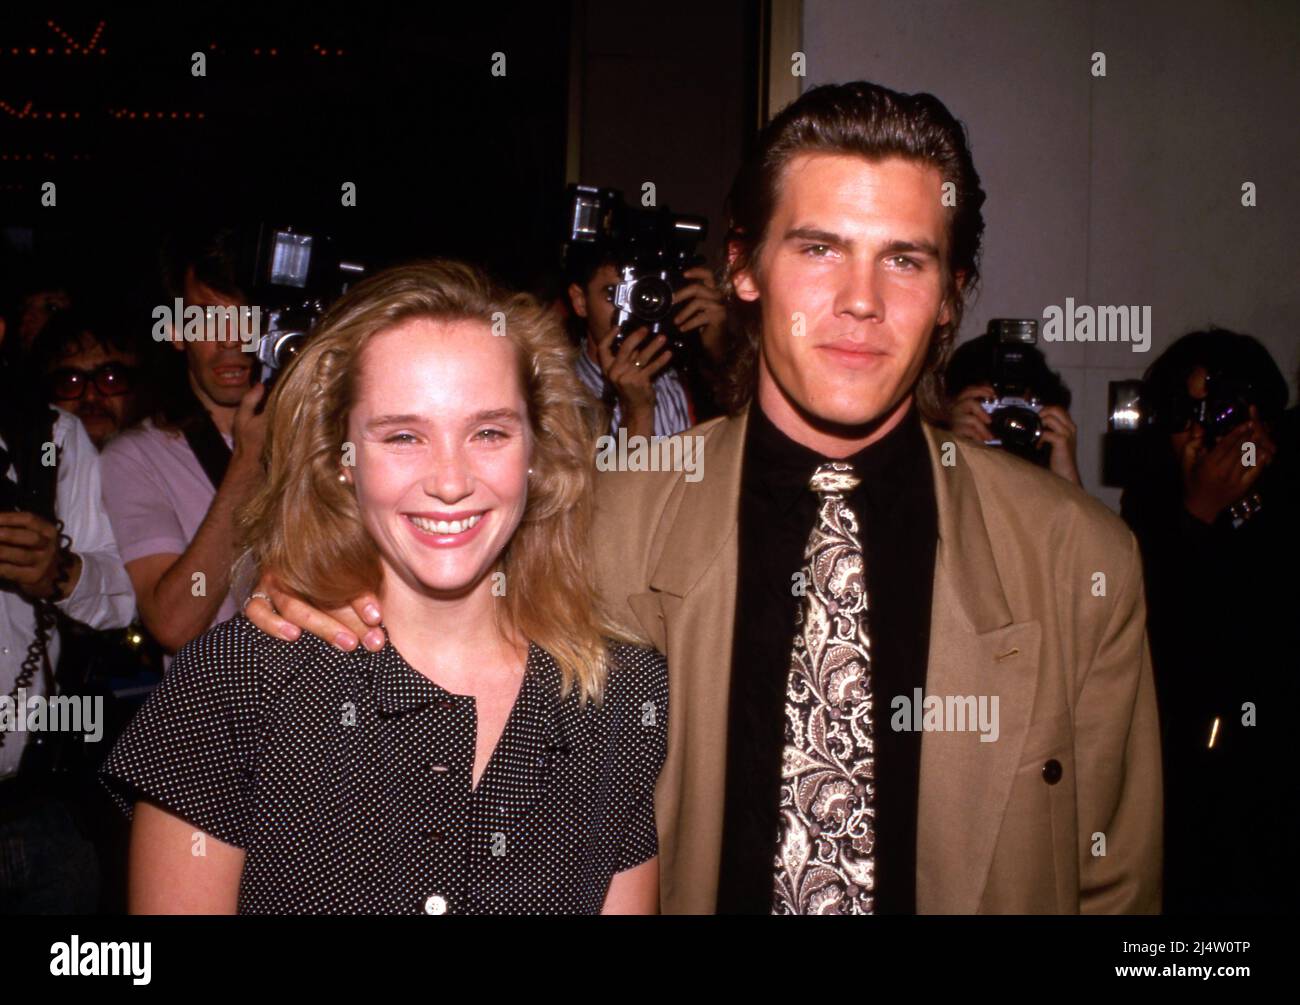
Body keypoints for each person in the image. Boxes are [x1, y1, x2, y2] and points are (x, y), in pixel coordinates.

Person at [246, 82, 1160, 915]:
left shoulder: (1079, 560)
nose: (860, 301)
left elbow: (1116, 886)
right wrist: (321, 588)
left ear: (953, 297)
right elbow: (428, 601)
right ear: (744, 269)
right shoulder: (592, 518)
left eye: (907, 261)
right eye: (819, 249)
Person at [99, 259, 668, 915]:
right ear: (342, 458)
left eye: (488, 431)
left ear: (536, 451)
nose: (450, 480)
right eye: (403, 435)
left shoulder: (622, 692)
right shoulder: (235, 682)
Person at [1119, 328, 1293, 914]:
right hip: (1189, 795)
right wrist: (1199, 513)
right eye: (1181, 414)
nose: (1200, 433)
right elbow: (1160, 648)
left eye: (1216, 411)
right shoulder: (1147, 505)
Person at [0, 317, 136, 913]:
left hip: (56, 793)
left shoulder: (60, 443)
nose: (89, 395)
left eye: (108, 377)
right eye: (70, 380)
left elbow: (131, 597)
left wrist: (60, 572)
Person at [98, 228, 268, 659]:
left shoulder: (322, 433)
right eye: (209, 320)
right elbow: (173, 624)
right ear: (175, 332)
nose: (232, 339)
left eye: (246, 318)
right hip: (216, 718)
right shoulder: (136, 456)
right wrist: (247, 462)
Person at [565, 244, 726, 440]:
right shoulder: (558, 398)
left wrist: (718, 353)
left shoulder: (686, 379)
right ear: (580, 301)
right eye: (613, 293)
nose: (630, 308)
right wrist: (637, 414)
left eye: (642, 292)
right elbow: (602, 471)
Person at [945, 331, 1082, 485]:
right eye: (993, 406)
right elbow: (937, 502)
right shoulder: (947, 451)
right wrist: (948, 445)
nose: (1010, 421)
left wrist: (1068, 479)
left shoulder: (1043, 477)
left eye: (1021, 407)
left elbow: (1066, 509)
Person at [33, 306, 149, 450]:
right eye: (70, 384)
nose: (90, 397)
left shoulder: (170, 460)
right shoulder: (36, 463)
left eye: (111, 380)